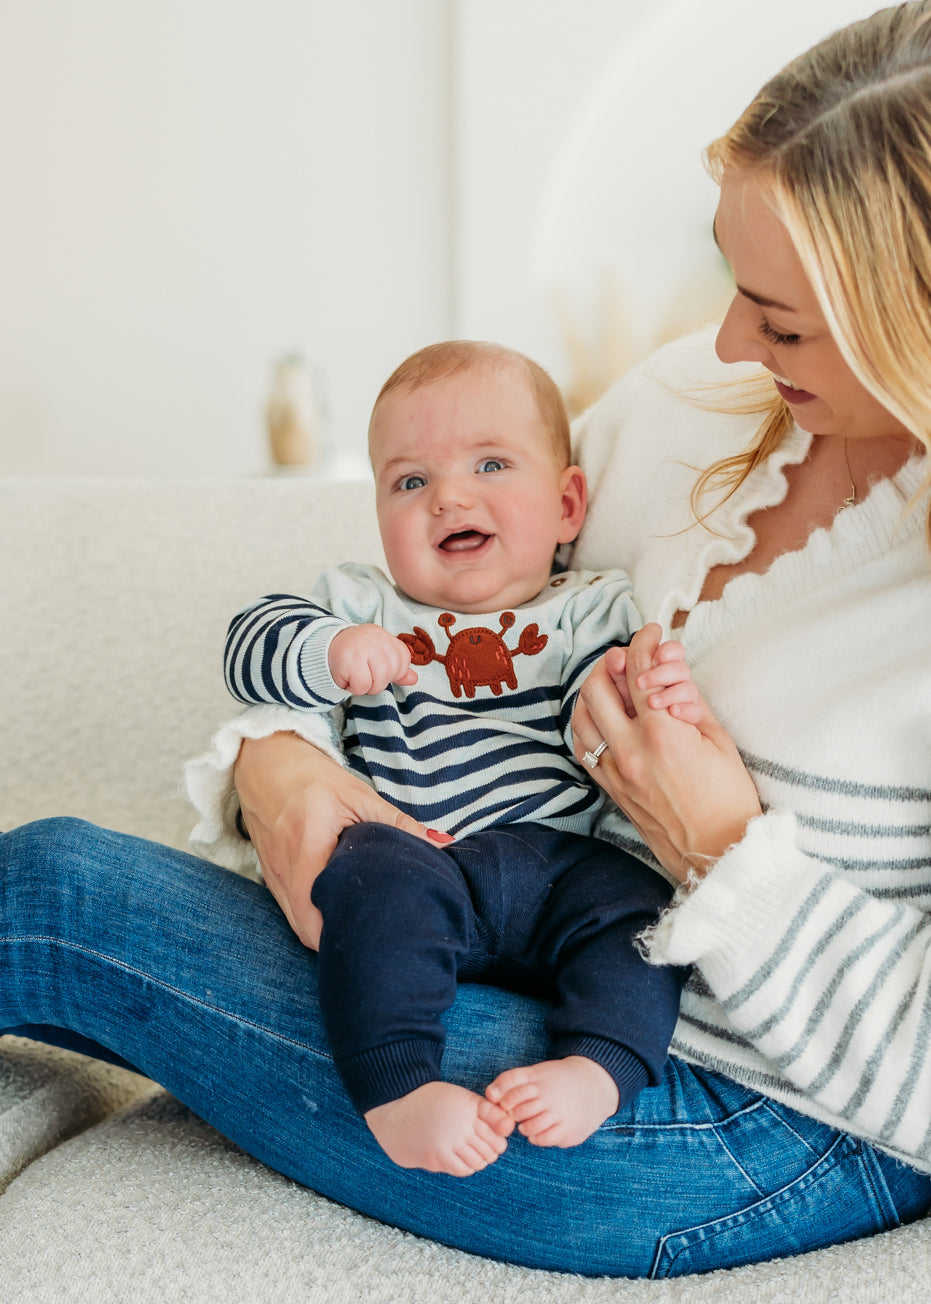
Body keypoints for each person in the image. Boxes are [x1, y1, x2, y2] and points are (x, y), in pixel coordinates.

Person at [4, 0, 931, 1278]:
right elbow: (436, 616)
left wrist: (719, 846)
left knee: (56, 897)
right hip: (491, 945)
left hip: (746, 1116)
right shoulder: (677, 408)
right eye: (732, 282)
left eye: (779, 322)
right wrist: (276, 765)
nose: (725, 345)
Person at [222, 339, 693, 1175]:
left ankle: (597, 1068)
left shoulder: (590, 607)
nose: (448, 497)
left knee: (643, 912)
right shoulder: (362, 603)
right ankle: (397, 1087)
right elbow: (248, 643)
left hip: (561, 866)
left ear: (567, 506)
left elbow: (615, 699)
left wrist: (651, 687)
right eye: (410, 481)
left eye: (489, 464)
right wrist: (328, 650)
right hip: (421, 856)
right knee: (368, 876)